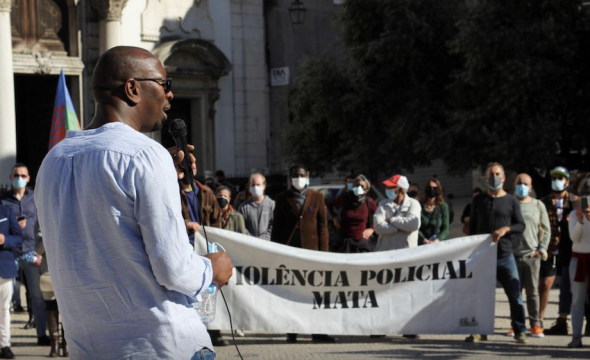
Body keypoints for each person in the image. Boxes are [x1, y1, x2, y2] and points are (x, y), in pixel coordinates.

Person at [34, 46, 233, 359]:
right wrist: (214, 269)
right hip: (161, 346)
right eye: (165, 85)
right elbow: (174, 269)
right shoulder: (144, 154)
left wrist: (164, 175)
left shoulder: (52, 161)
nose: (170, 95)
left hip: (90, 348)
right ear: (132, 88)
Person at [466, 162, 528, 343]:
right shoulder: (478, 200)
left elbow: (521, 225)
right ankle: (479, 331)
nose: (494, 177)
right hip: (482, 257)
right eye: (491, 174)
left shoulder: (512, 201)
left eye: (497, 174)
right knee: (480, 296)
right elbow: (473, 229)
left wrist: (505, 229)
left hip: (505, 256)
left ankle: (520, 331)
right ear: (486, 179)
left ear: (503, 177)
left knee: (515, 296)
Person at [271, 165, 333, 343]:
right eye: (295, 175)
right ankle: (292, 331)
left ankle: (318, 331)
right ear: (290, 178)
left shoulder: (317, 197)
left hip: (312, 252)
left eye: (301, 175)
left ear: (308, 176)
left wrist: (324, 253)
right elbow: (277, 227)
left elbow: (323, 226)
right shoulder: (282, 198)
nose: (298, 178)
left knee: (314, 293)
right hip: (290, 252)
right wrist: (275, 251)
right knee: (292, 292)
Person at [177, 158, 227, 347]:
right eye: (185, 167)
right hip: (184, 253)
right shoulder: (171, 191)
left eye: (193, 167)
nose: (190, 170)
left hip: (205, 254)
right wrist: (186, 225)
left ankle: (214, 331)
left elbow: (216, 224)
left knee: (210, 294)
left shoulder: (206, 193)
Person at [0, 163, 48, 346]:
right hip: (8, 254)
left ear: (28, 179)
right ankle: (5, 342)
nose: (19, 178)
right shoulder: (3, 201)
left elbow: (43, 224)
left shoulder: (35, 198)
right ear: (11, 178)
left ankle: (42, 335)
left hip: (31, 251)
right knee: (6, 299)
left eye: (23, 175)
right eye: (16, 175)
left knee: (37, 295)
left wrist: (40, 251)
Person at [542, 167, 587, 336]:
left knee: (575, 289)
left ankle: (583, 324)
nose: (557, 180)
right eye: (555, 177)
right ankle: (560, 322)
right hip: (555, 250)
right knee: (554, 287)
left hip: (573, 250)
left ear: (567, 182)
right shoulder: (544, 201)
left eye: (561, 178)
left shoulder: (577, 201)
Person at [512, 173, 550, 338]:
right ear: (514, 185)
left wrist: (541, 249)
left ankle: (535, 324)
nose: (522, 185)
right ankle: (517, 324)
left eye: (525, 183)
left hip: (532, 255)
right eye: (519, 183)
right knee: (515, 292)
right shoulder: (509, 203)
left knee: (533, 292)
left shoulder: (538, 204)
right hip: (512, 256)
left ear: (531, 187)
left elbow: (546, 229)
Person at [566, 174, 590, 348]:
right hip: (578, 259)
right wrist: (581, 220)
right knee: (577, 301)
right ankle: (576, 337)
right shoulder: (574, 214)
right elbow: (574, 238)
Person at [326, 174, 378, 253]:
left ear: (366, 190)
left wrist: (372, 228)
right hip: (345, 241)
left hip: (361, 242)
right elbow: (329, 205)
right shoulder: (345, 198)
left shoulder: (368, 201)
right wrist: (334, 218)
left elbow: (380, 215)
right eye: (356, 186)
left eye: (361, 186)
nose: (358, 188)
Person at [0, 202, 24, 359]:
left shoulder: (6, 211)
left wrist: (4, 239)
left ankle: (4, 344)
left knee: (3, 308)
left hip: (3, 267)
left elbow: (18, 239)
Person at [373, 175, 421, 250]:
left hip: (406, 253)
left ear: (400, 189)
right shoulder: (383, 204)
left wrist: (391, 220)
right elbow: (377, 227)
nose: (387, 189)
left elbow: (414, 224)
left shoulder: (413, 204)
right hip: (385, 253)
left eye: (390, 187)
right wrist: (399, 228)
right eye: (387, 187)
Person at [238, 173, 275, 240]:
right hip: (249, 245)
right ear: (249, 187)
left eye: (258, 185)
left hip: (268, 245)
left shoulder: (272, 205)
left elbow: (274, 226)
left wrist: (263, 239)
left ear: (264, 186)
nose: (255, 187)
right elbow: (241, 227)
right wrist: (253, 240)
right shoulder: (243, 207)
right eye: (253, 185)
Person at [418, 178, 449, 245]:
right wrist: (424, 239)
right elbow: (415, 227)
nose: (431, 190)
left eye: (434, 188)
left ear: (438, 190)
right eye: (429, 187)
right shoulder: (419, 205)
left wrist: (437, 240)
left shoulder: (443, 206)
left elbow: (445, 228)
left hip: (437, 244)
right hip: (421, 243)